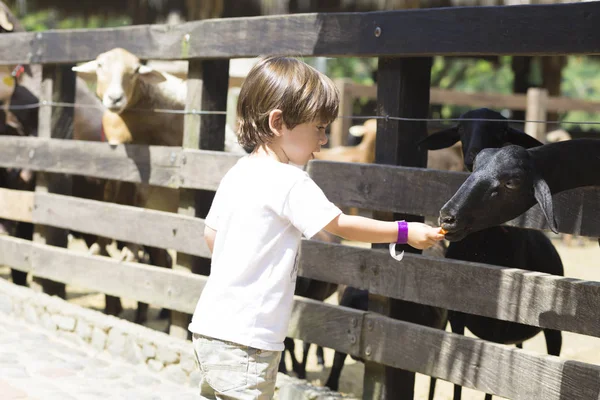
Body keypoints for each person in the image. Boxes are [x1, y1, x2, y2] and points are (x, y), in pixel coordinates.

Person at [188, 55, 445, 399]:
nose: (323, 140)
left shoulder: (238, 171)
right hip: (250, 338)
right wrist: (403, 231)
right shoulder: (290, 181)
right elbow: (341, 224)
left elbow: (212, 236)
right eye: (319, 128)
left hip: (208, 328)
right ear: (278, 122)